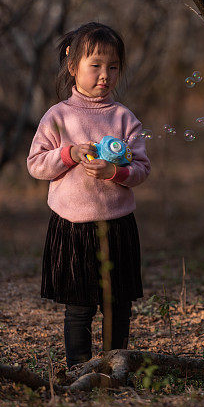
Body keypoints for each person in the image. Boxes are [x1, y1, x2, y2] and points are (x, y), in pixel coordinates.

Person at [27, 22, 150, 368]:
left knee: (118, 306)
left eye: (113, 67)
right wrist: (67, 155)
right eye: (95, 65)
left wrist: (116, 172)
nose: (104, 75)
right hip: (72, 228)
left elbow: (142, 169)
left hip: (117, 226)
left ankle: (115, 366)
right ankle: (79, 369)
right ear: (73, 67)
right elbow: (36, 164)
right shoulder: (58, 117)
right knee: (79, 308)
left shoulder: (125, 119)